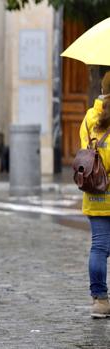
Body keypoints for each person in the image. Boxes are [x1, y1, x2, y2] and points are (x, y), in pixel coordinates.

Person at [80, 71, 110, 319]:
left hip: (95, 192)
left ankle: (99, 300)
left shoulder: (90, 117)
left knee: (99, 246)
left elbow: (82, 153)